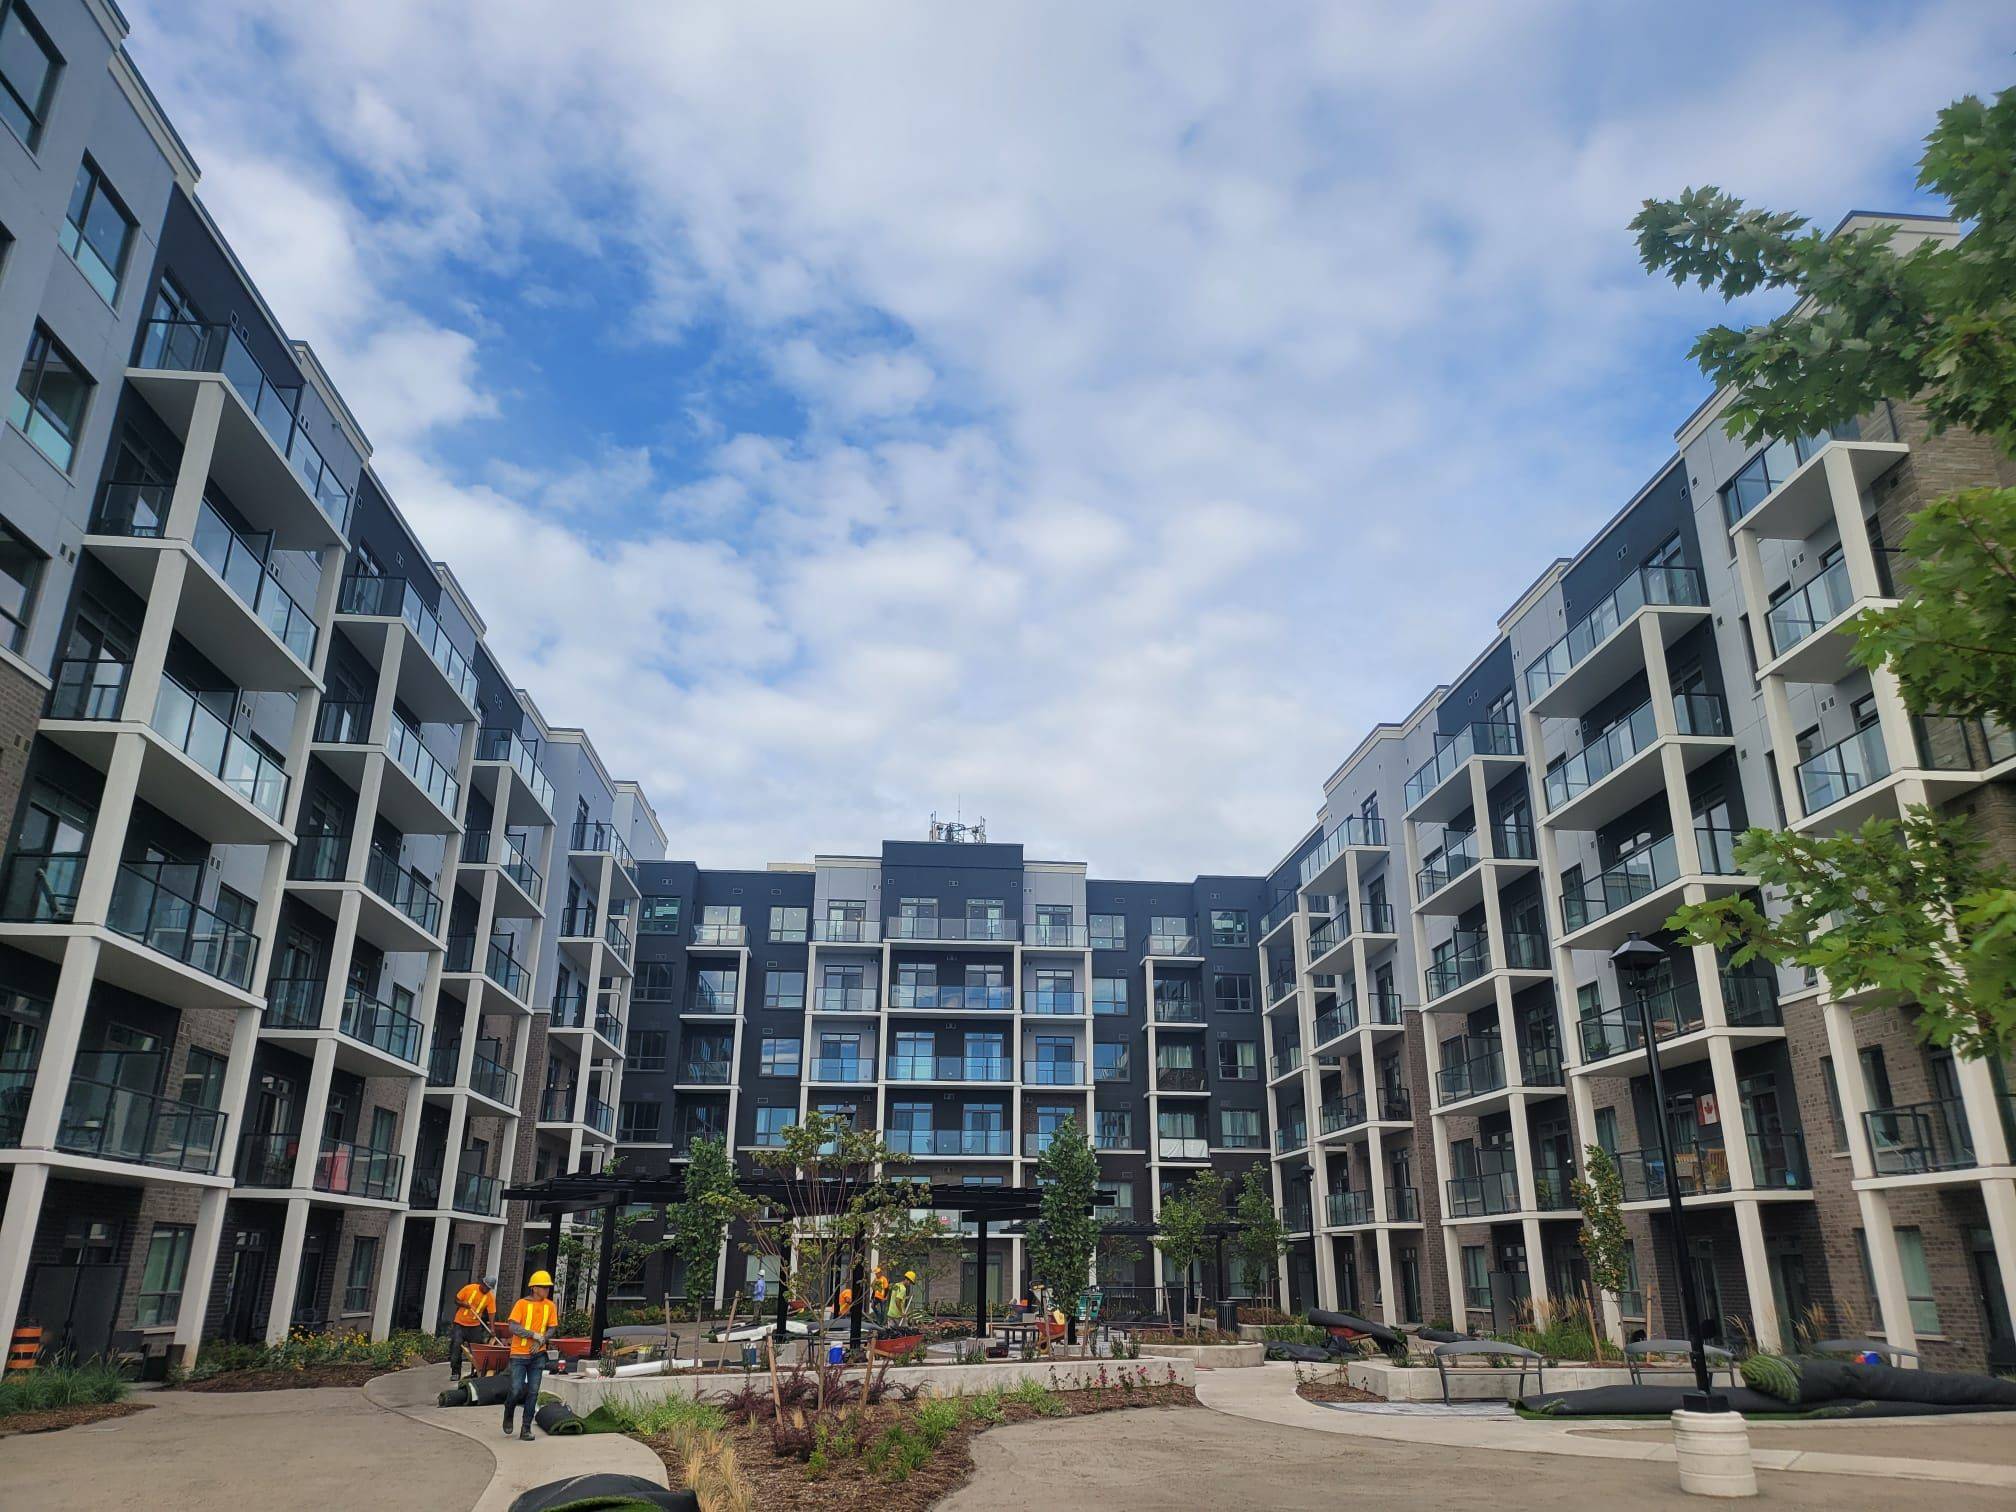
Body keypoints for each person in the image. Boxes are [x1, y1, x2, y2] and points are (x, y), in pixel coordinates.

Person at [501, 1270, 559, 1442]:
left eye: (548, 1287)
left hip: (538, 1355)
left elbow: (552, 1328)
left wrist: (542, 1340)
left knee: (533, 1392)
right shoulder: (521, 1304)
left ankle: (526, 1428)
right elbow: (513, 1327)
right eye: (544, 1287)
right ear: (534, 1288)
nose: (547, 1290)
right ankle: (509, 1410)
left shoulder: (550, 1306)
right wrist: (533, 1335)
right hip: (519, 1355)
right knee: (516, 1389)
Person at [449, 1275, 498, 1382]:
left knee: (477, 1351)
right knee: (456, 1346)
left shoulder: (490, 1297)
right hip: (460, 1324)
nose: (487, 1289)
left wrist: (492, 1328)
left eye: (489, 1288)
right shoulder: (469, 1288)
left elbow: (492, 1313)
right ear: (482, 1283)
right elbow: (456, 1300)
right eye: (486, 1287)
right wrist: (463, 1304)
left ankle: (475, 1372)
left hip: (475, 1326)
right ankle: (455, 1372)